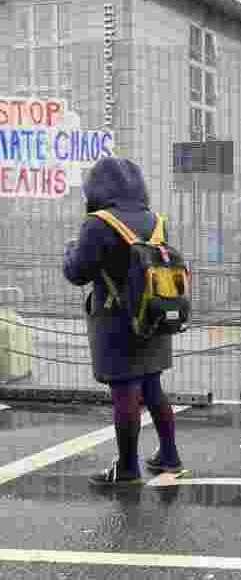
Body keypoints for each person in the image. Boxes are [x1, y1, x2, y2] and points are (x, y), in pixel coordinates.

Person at [62, 157, 183, 486]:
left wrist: (69, 251)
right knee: (153, 386)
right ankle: (169, 455)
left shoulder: (98, 224)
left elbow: (78, 272)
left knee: (124, 393)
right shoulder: (156, 221)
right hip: (155, 316)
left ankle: (128, 468)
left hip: (117, 322)